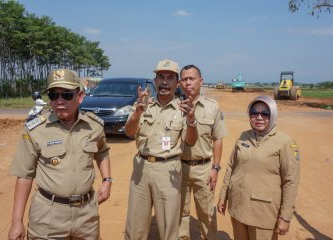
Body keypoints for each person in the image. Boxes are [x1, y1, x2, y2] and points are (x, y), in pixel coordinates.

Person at [8, 69, 112, 240]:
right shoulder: (36, 130)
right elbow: (24, 176)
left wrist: (107, 180)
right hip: (48, 217)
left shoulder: (94, 126)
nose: (60, 101)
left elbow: (102, 151)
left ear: (80, 96)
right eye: (54, 95)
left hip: (86, 214)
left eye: (66, 95)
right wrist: (16, 222)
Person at [124, 59, 198, 240]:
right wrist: (138, 112)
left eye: (170, 78)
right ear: (155, 81)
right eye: (161, 77)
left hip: (168, 171)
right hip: (141, 169)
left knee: (168, 227)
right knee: (135, 226)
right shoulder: (142, 105)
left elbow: (190, 141)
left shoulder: (183, 108)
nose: (165, 82)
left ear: (177, 83)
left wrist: (190, 120)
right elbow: (129, 132)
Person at [217, 95, 300, 240]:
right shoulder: (243, 136)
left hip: (263, 213)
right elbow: (231, 167)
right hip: (238, 207)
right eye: (254, 113)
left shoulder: (285, 142)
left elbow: (290, 182)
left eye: (265, 113)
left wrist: (285, 217)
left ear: (273, 115)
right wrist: (223, 197)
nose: (259, 117)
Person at [178, 65, 228, 240]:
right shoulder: (174, 107)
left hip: (204, 169)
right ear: (179, 83)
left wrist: (215, 168)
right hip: (179, 168)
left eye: (192, 78)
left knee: (207, 214)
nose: (188, 82)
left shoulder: (212, 107)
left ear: (201, 81)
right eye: (184, 79)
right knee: (180, 215)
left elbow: (218, 139)